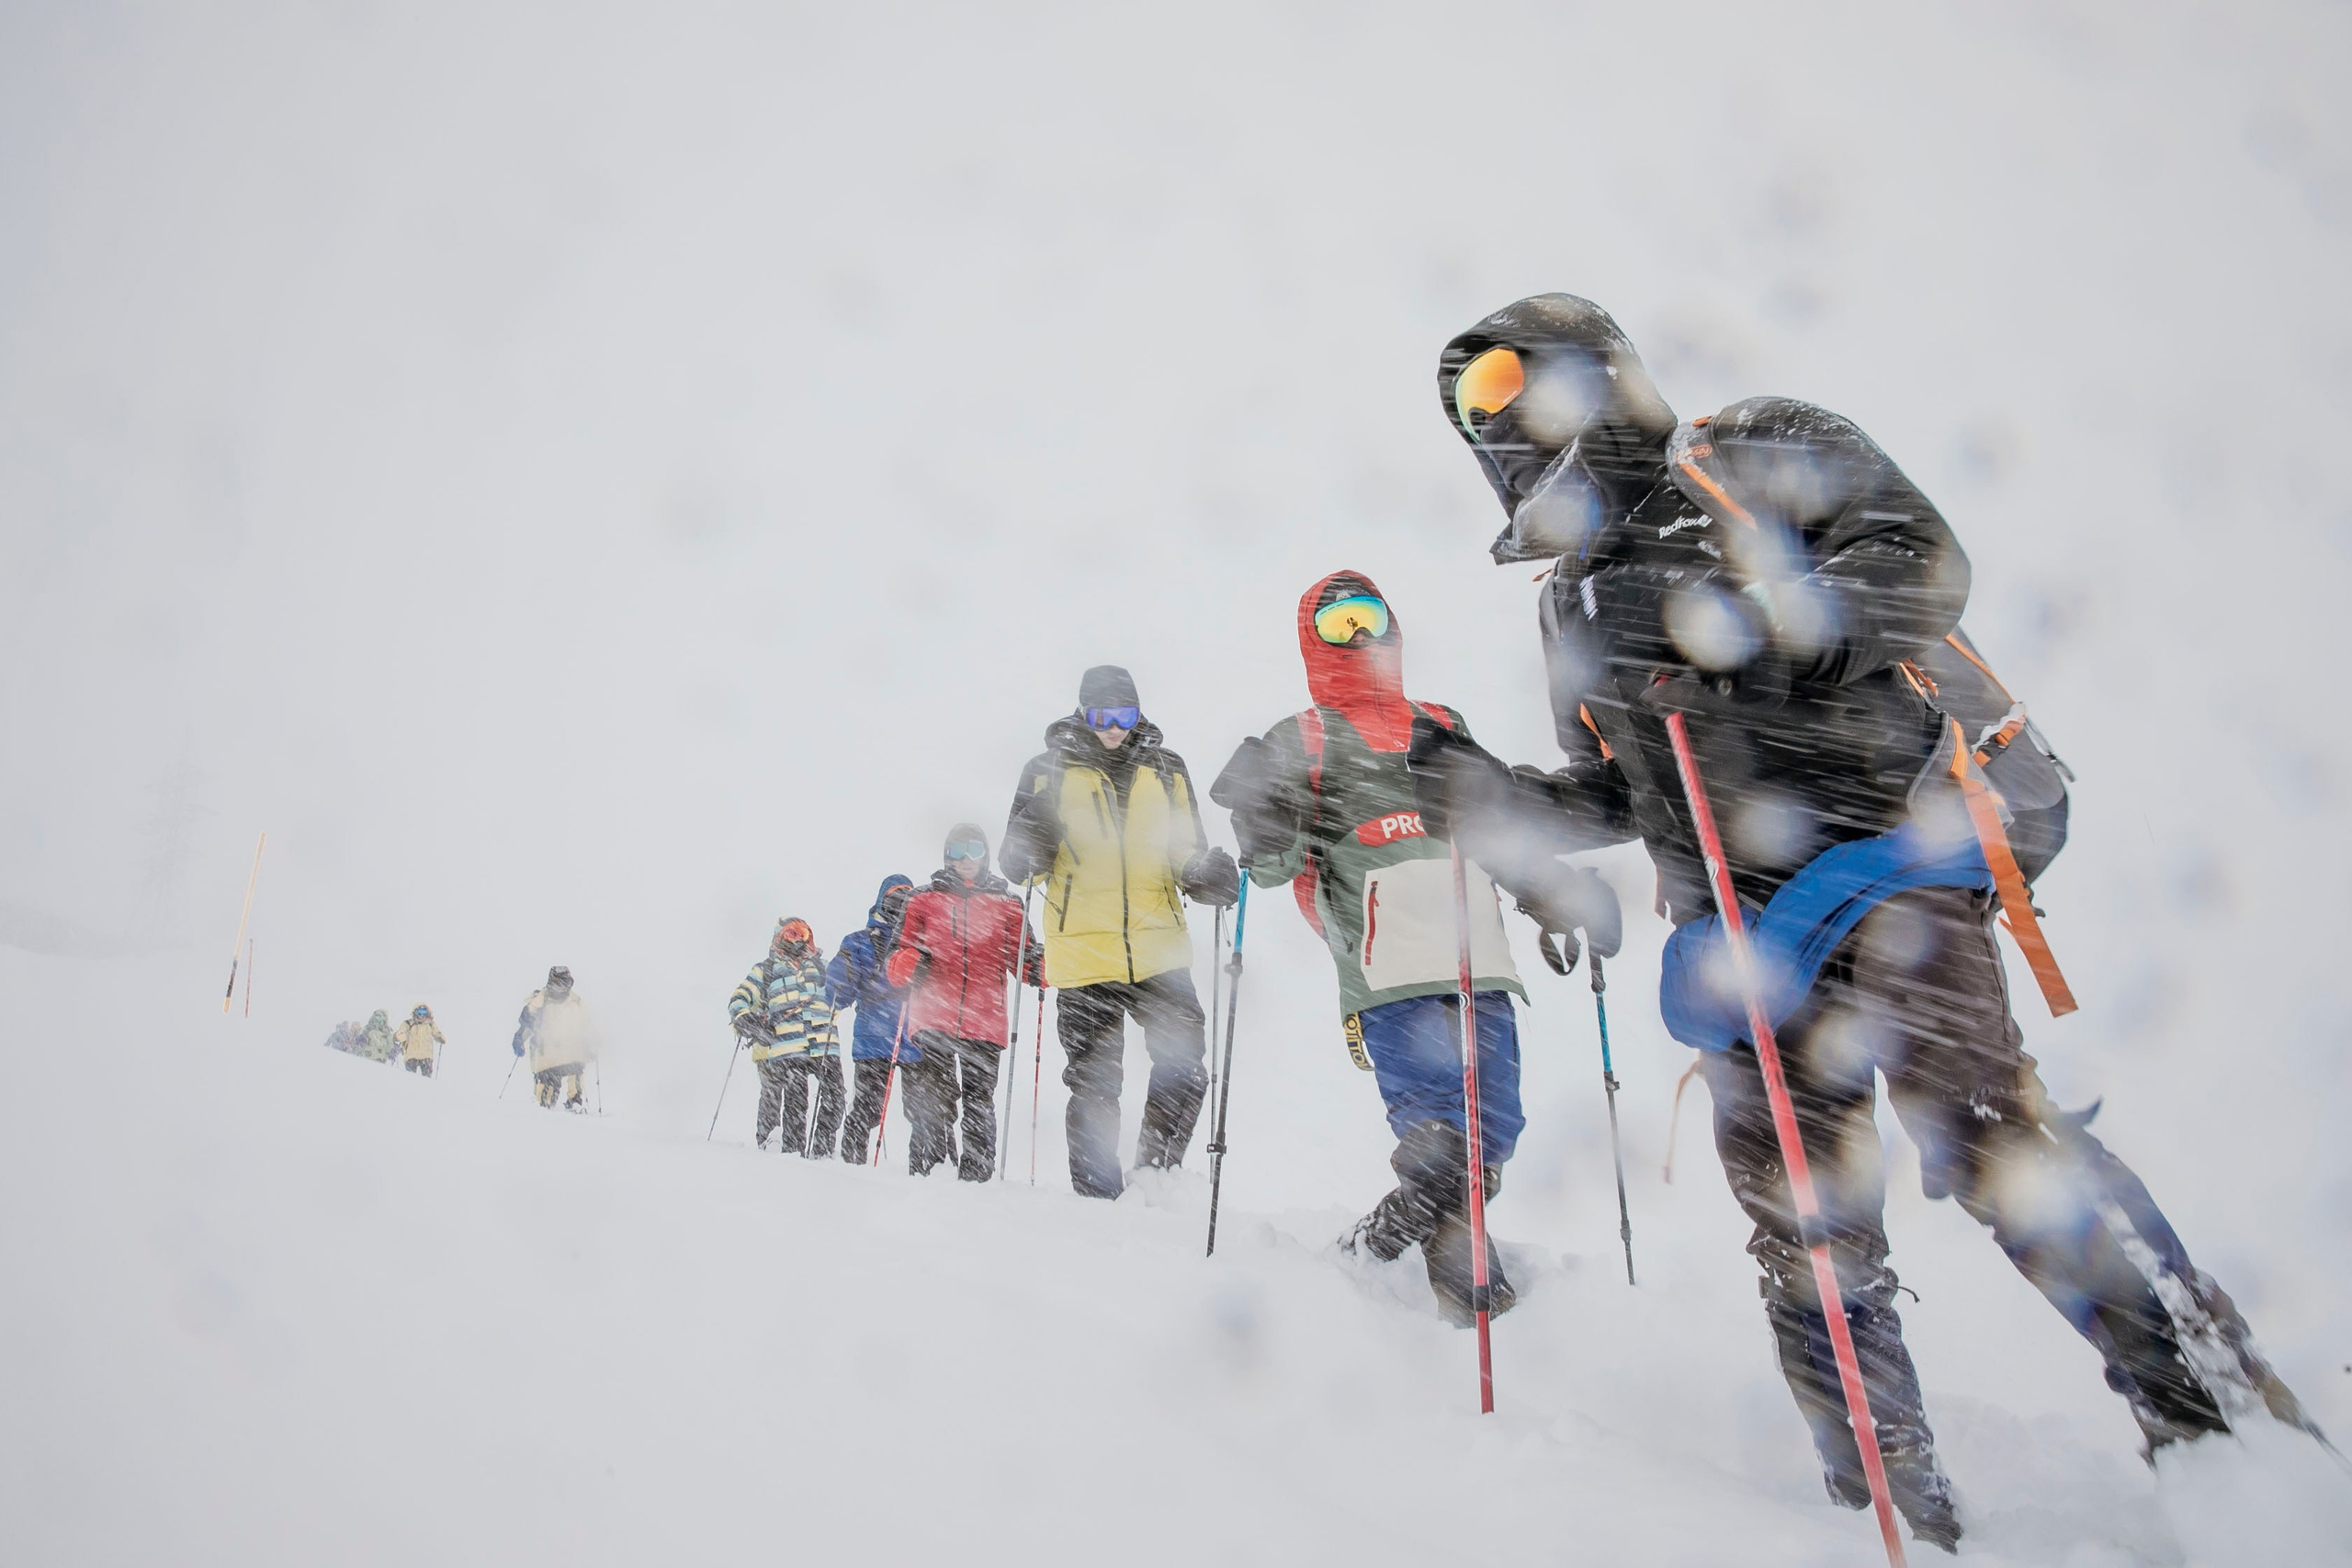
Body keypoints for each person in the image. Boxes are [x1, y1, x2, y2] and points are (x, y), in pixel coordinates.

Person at [1412, 292, 2318, 1550]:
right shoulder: (1567, 601)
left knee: (1994, 1141)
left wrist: (1735, 644)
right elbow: (1621, 786)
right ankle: (1889, 1503)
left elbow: (1919, 562)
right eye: (1469, 403)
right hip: (1734, 938)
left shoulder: (1750, 451)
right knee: (1802, 1224)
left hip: (1888, 868)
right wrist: (1491, 794)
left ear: (1595, 373)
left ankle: (2222, 1429)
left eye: (1513, 374)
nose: (1496, 411)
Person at [1211, 572, 1619, 1323]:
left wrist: (1548, 888)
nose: (1360, 637)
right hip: (1386, 955)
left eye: (1369, 617)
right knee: (1437, 1135)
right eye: (1338, 627)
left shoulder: (1442, 720)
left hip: (1477, 947)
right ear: (1313, 641)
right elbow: (1269, 869)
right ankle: (1475, 1303)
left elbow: (1491, 819)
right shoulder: (1300, 736)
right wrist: (1259, 820)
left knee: (1494, 1134)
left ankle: (1381, 1239)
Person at [999, 665, 1238, 1198]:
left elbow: (1185, 849)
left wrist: (1204, 875)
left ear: (1138, 712)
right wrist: (1036, 825)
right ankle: (1097, 1195)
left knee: (1185, 1064)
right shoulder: (1046, 770)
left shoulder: (1167, 768)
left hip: (1159, 948)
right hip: (1083, 954)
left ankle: (1155, 1175)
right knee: (1094, 1084)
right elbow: (1020, 867)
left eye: (1123, 715)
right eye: (1101, 715)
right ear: (1082, 713)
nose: (1112, 727)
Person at [885, 828, 1043, 1179]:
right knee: (935, 1099)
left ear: (985, 855)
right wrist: (907, 963)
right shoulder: (922, 899)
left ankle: (977, 1176)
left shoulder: (1008, 904)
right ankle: (931, 1170)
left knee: (979, 1102)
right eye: (958, 849)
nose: (967, 858)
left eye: (974, 849)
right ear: (947, 855)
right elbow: (895, 957)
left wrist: (1043, 967)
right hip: (933, 1015)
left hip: (985, 1020)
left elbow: (1025, 959)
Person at [728, 919, 845, 1157]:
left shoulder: (823, 967)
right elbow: (740, 997)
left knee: (835, 1097)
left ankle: (822, 1152)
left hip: (824, 1044)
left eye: (803, 933)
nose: (797, 939)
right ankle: (793, 1155)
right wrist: (745, 1018)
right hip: (788, 1046)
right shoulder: (766, 969)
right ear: (779, 937)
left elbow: (847, 986)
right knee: (795, 1102)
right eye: (791, 933)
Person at [829, 874, 916, 1163]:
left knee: (924, 1112)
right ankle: (852, 1165)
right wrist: (837, 990)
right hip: (878, 1036)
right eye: (895, 898)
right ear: (882, 901)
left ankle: (931, 1172)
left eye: (907, 898)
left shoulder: (919, 942)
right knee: (869, 1109)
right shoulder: (861, 942)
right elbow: (838, 986)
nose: (900, 904)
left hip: (911, 1036)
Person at [512, 965, 595, 1111]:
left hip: (569, 1051)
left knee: (576, 1071)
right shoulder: (540, 1001)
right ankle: (544, 1109)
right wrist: (519, 1039)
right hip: (547, 1055)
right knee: (546, 1092)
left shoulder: (575, 1002)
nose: (562, 988)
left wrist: (590, 1044)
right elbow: (528, 1025)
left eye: (566, 984)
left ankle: (574, 1102)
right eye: (559, 985)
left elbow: (585, 1026)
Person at [394, 1004, 445, 1078]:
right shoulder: (408, 1024)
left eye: (424, 1012)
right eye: (419, 1012)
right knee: (410, 1078)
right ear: (415, 1012)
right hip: (411, 1056)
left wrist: (441, 1038)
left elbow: (436, 1034)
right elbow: (401, 1033)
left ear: (427, 1013)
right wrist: (399, 1037)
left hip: (426, 1056)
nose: (421, 1015)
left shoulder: (430, 1024)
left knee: (427, 1079)